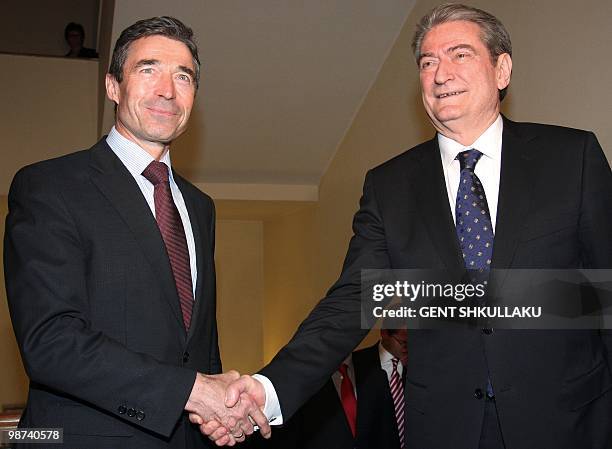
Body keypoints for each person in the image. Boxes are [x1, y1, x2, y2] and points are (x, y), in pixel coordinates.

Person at [201, 3, 612, 449]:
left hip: (570, 424)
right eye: (427, 62)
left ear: (502, 69)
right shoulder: (389, 186)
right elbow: (352, 301)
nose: (440, 73)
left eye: (460, 54)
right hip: (444, 429)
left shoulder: (572, 158)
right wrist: (268, 387)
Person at [4, 16, 268, 449]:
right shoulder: (50, 186)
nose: (167, 89)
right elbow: (50, 341)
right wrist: (194, 391)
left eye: (182, 76)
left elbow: (199, 347)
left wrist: (220, 410)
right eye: (148, 70)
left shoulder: (201, 207)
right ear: (113, 86)